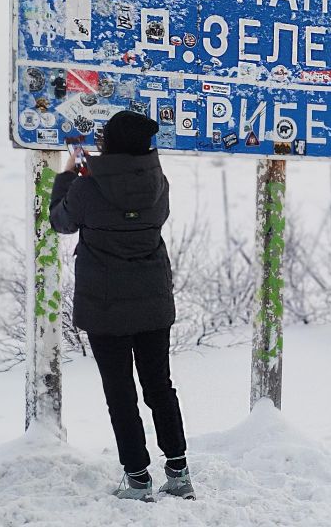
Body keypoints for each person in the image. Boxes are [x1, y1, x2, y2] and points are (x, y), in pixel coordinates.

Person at [49, 111, 195, 502]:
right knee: (160, 387)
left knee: (120, 392)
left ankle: (138, 479)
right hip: (152, 302)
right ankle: (179, 474)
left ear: (109, 143)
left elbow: (62, 221)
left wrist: (71, 166)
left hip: (105, 305)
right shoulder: (157, 182)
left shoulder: (86, 183)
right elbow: (142, 198)